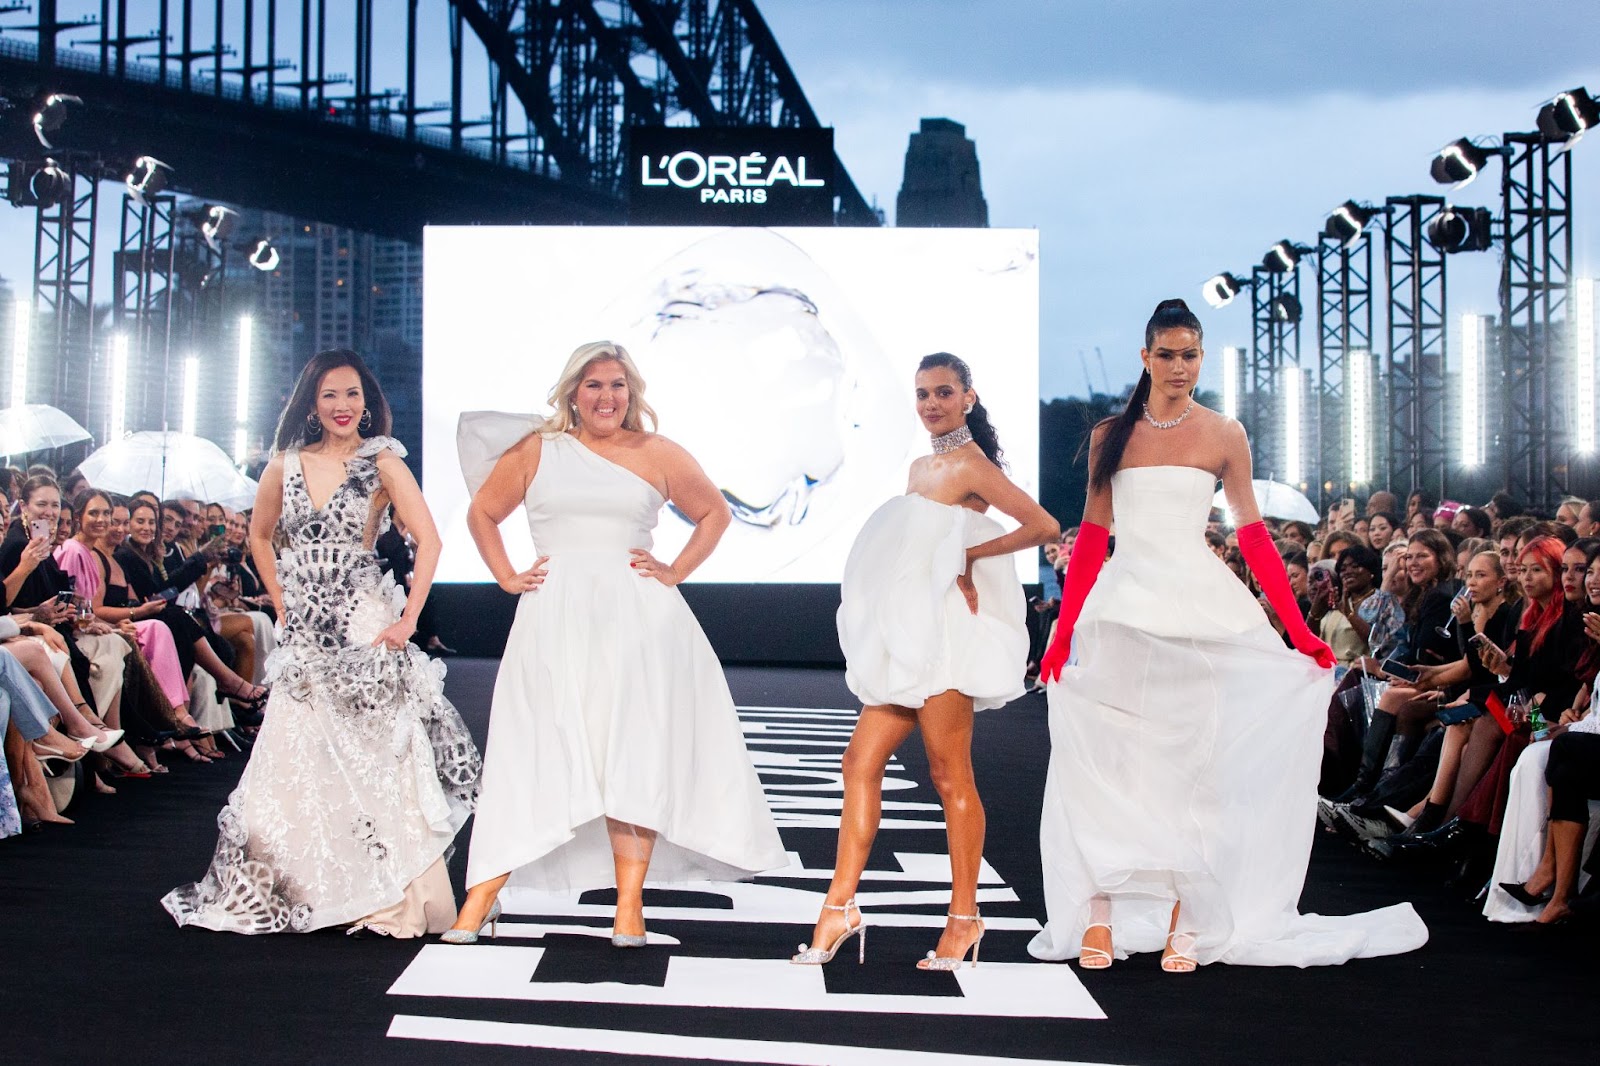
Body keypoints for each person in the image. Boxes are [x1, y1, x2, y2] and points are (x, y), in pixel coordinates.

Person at [1030, 299, 1426, 971]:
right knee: (1098, 760)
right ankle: (1098, 913)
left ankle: (1190, 914)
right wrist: (1064, 630)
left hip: (1197, 610)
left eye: (1190, 354)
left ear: (1200, 357)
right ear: (1145, 356)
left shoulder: (1223, 434)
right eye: (1167, 354)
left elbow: (1254, 538)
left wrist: (1299, 630)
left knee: (1195, 768)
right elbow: (1094, 534)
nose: (1179, 366)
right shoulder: (1110, 434)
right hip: (1121, 609)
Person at [448, 341, 783, 946]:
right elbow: (482, 514)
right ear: (572, 391)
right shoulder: (537, 450)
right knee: (531, 749)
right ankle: (481, 899)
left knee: (633, 752)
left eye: (618, 386)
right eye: (595, 385)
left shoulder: (658, 452)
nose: (607, 396)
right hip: (554, 618)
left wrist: (675, 570)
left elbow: (714, 514)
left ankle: (630, 908)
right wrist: (504, 575)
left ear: (633, 394)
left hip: (639, 622)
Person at [163, 349, 481, 936]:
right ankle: (315, 886)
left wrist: (408, 620)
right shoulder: (284, 465)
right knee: (301, 757)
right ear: (311, 402)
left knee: (378, 757)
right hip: (306, 636)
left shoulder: (382, 460)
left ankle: (390, 890)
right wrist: (281, 602)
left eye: (353, 395)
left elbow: (431, 540)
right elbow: (260, 535)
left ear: (367, 402)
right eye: (330, 395)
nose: (343, 406)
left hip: (364, 627)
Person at [795, 352, 1057, 970]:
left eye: (943, 392)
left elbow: (1042, 524)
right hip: (906, 634)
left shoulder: (972, 466)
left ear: (968, 396)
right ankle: (839, 906)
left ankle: (964, 919)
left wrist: (971, 556)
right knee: (858, 759)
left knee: (948, 774)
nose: (931, 404)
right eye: (921, 394)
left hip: (946, 637)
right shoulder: (921, 466)